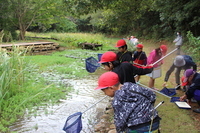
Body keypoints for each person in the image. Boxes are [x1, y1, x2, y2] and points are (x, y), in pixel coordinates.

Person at [94, 72, 161, 133]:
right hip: (154, 121)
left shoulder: (117, 99)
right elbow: (152, 96)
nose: (105, 94)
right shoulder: (131, 85)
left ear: (111, 88)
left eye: (104, 91)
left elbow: (120, 122)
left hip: (138, 128)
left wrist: (119, 131)